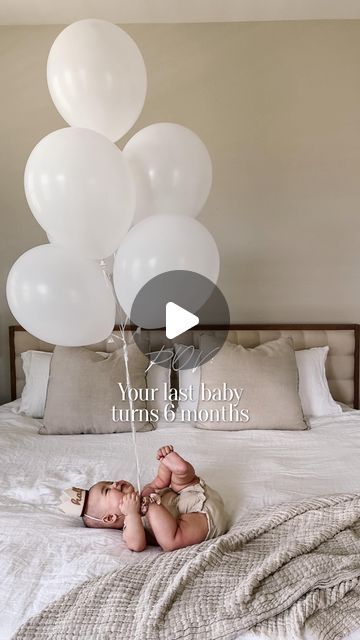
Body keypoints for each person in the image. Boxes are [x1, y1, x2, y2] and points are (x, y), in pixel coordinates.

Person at [60, 445, 228, 552]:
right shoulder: (128, 527)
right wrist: (133, 514)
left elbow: (161, 482)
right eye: (107, 490)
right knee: (171, 542)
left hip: (192, 496)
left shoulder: (144, 493)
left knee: (172, 485)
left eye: (109, 482)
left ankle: (181, 472)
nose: (114, 484)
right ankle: (184, 477)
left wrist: (164, 464)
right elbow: (136, 545)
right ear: (110, 518)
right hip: (201, 518)